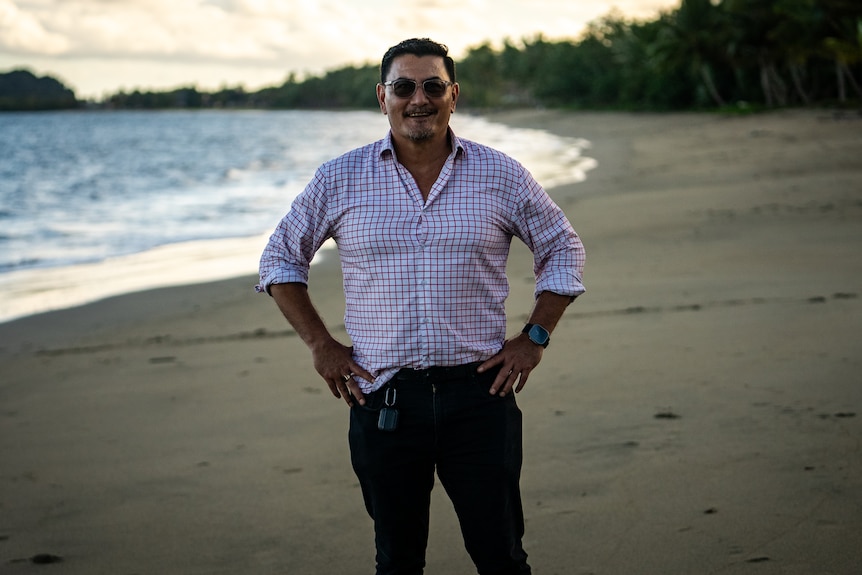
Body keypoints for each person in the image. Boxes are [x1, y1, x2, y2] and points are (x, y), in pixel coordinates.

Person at [258, 37, 585, 575]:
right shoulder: (339, 179)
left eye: (433, 86)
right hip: (383, 399)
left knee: (500, 555)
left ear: (453, 96)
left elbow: (563, 248)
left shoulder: (500, 174)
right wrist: (321, 346)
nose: (419, 99)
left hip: (481, 397)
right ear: (382, 96)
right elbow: (279, 260)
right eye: (404, 86)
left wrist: (534, 338)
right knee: (398, 560)